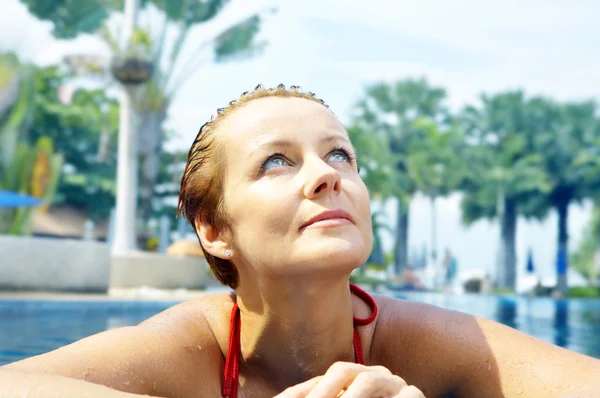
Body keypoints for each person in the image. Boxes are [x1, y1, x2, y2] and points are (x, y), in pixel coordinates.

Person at [2, 85, 600, 397]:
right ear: (214, 231)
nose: (326, 173)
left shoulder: (429, 342)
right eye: (276, 163)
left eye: (339, 153)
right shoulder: (189, 353)